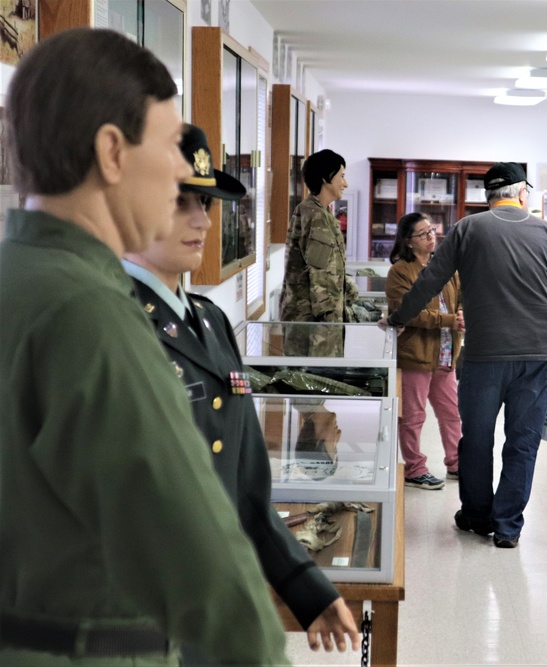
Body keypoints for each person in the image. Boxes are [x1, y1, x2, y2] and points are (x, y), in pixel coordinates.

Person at [0, 29, 288, 665]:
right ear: (112, 152)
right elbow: (197, 553)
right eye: (170, 144)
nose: (186, 171)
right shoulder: (93, 313)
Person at [122, 124, 360, 663]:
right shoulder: (106, 325)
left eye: (204, 202)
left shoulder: (209, 321)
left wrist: (306, 588)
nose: (202, 219)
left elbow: (245, 489)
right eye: (179, 201)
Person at [384, 162, 547, 548]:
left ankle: (476, 515)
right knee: (522, 441)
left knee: (475, 438)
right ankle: (508, 526)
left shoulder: (467, 229)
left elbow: (429, 280)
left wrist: (399, 318)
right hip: (535, 358)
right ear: (523, 193)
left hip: (482, 358)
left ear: (488, 196)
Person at [385, 212, 464, 490]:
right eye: (423, 233)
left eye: (431, 230)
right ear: (408, 241)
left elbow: (460, 299)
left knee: (451, 412)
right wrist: (448, 320)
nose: (431, 236)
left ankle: (456, 463)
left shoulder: (445, 266)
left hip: (445, 353)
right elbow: (406, 312)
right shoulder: (400, 272)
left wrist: (462, 314)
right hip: (416, 355)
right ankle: (414, 469)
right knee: (413, 416)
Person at [279, 149, 359, 357]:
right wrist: (332, 324)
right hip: (315, 327)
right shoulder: (316, 217)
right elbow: (322, 279)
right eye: (341, 176)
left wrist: (350, 291)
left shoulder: (314, 211)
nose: (345, 183)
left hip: (308, 321)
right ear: (325, 178)